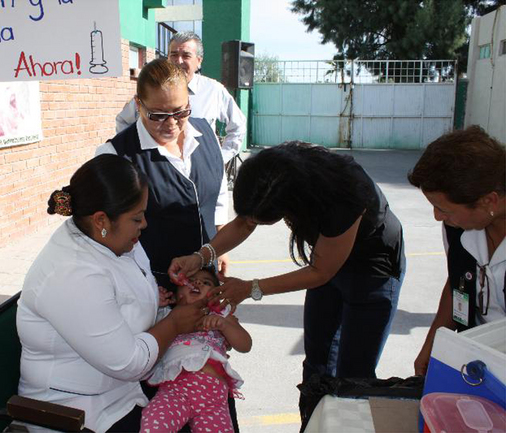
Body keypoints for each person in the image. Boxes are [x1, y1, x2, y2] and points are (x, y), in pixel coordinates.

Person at [169, 141, 406, 423]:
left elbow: (320, 272)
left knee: (355, 374)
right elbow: (245, 223)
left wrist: (250, 288)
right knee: (317, 362)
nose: (252, 223)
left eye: (260, 219)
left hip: (371, 270)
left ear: (292, 204)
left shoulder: (343, 194)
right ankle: (313, 424)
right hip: (328, 259)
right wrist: (200, 256)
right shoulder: (274, 171)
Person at [16, 154, 208, 433]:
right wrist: (176, 322)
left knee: (210, 395)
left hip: (120, 390)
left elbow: (130, 291)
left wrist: (166, 304)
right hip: (76, 413)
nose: (144, 224)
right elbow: (129, 363)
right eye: (137, 218)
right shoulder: (73, 273)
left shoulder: (113, 239)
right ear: (101, 220)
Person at [97, 58, 229, 286]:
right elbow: (108, 232)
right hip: (153, 284)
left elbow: (219, 197)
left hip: (206, 278)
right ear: (138, 104)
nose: (171, 124)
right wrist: (139, 285)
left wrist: (220, 248)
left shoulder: (207, 134)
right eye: (158, 115)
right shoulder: (115, 154)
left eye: (180, 112)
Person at [408, 126, 505, 376]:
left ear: (489, 201)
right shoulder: (457, 228)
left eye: (443, 209)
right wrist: (434, 344)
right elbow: (457, 282)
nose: (437, 216)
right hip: (476, 358)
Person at [141, 267, 251, 433]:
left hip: (212, 395)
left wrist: (224, 325)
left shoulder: (221, 315)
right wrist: (156, 302)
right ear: (176, 295)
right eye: (190, 281)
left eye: (206, 283)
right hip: (174, 390)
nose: (198, 283)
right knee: (153, 424)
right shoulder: (166, 315)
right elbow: (144, 339)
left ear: (216, 296)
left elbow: (245, 345)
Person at [115, 31, 247, 163]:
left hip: (202, 166)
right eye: (174, 55)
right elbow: (124, 121)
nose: (178, 61)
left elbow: (238, 126)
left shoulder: (213, 90)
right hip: (158, 166)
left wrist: (220, 158)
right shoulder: (153, 89)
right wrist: (132, 157)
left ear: (199, 61)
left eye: (186, 55)